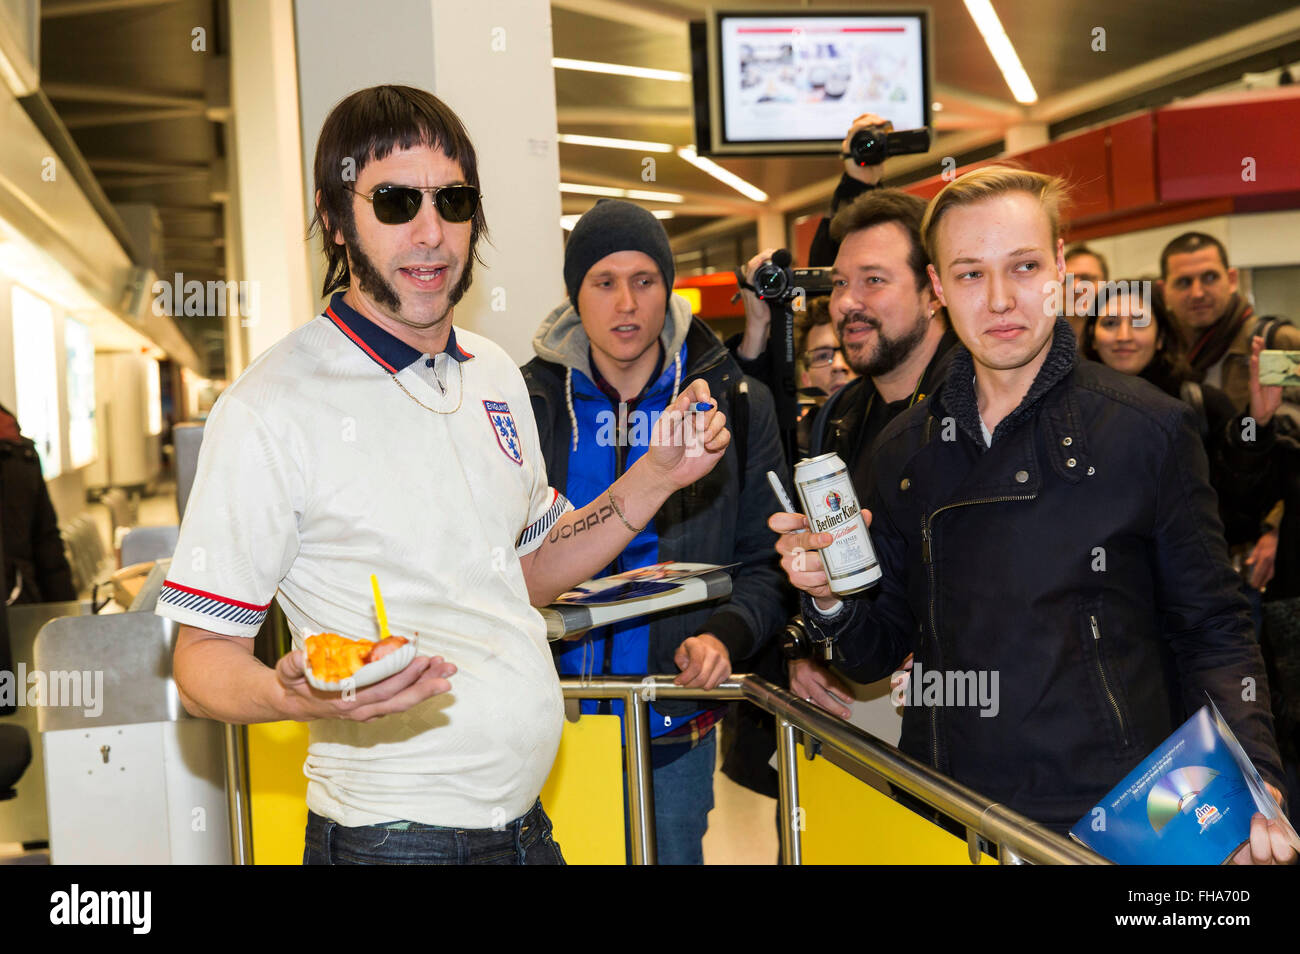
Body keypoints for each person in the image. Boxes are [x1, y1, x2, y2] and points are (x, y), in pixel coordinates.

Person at [156, 86, 730, 866]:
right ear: (336, 219)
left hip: (524, 829)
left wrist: (657, 477)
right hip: (391, 843)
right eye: (395, 202)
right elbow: (200, 659)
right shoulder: (269, 409)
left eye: (452, 200)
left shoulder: (493, 374)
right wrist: (288, 694)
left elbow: (527, 570)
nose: (432, 233)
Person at [772, 165, 1294, 863]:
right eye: (968, 274)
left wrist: (1255, 780)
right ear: (936, 291)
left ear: (1059, 272)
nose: (999, 300)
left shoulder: (1147, 430)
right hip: (950, 807)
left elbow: (1215, 630)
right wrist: (831, 598)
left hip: (1120, 817)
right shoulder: (904, 449)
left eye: (1023, 266)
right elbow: (872, 651)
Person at [522, 199, 787, 864]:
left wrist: (726, 637)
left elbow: (765, 561)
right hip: (542, 725)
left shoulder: (733, 403)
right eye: (603, 282)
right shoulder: (530, 406)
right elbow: (496, 563)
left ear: (669, 288)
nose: (626, 304)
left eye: (644, 280)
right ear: (573, 294)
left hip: (671, 724)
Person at [786, 189, 959, 720]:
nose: (846, 302)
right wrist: (813, 640)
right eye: (840, 283)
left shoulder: (979, 410)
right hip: (862, 710)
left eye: (873, 281)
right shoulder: (840, 416)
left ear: (933, 291)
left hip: (973, 728)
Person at [1082, 282, 1275, 559]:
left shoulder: (1200, 403)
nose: (1123, 336)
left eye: (1139, 323)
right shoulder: (1068, 411)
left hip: (1191, 577)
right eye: (1110, 323)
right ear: (1092, 336)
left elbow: (1241, 498)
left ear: (1160, 337)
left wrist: (1257, 423)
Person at [1160, 231, 1300, 409]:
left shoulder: (1270, 343)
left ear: (1232, 280)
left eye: (1210, 278)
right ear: (1164, 290)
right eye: (1184, 282)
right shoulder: (1159, 350)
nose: (1197, 293)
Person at [0, 404, 76, 605]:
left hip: (18, 601)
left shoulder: (16, 450)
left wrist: (64, 610)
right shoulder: (17, 450)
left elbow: (45, 541)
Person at [1062, 243, 1108, 342]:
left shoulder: (1121, 337)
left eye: (1086, 278)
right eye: (1067, 280)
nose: (1075, 287)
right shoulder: (1042, 339)